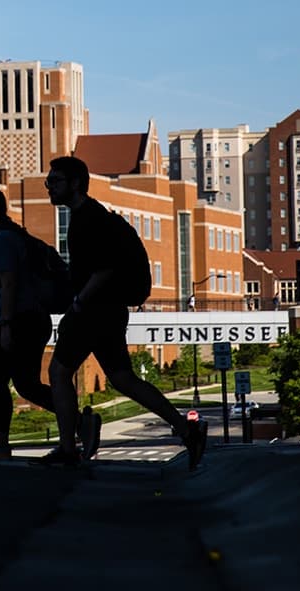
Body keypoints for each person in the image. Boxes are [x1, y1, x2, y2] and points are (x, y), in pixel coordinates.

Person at [35, 156, 207, 469]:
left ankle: (67, 448)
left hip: (93, 310)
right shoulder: (93, 215)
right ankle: (187, 430)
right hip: (109, 310)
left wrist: (78, 302)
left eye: (55, 181)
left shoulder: (87, 220)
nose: (49, 187)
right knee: (123, 379)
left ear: (75, 184)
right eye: (49, 182)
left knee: (58, 372)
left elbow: (103, 270)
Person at [0, 188, 99, 461]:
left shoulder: (3, 241)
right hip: (31, 319)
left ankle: (1, 444)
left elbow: (9, 284)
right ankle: (79, 424)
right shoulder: (16, 236)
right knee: (23, 384)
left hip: (19, 320)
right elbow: (3, 290)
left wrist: (5, 325)